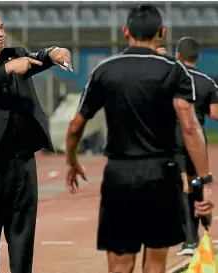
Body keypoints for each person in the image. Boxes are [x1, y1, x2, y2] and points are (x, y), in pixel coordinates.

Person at [65, 4, 214, 273]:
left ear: (125, 32)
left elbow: (76, 125)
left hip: (120, 174)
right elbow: (191, 127)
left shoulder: (105, 69)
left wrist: (72, 160)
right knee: (156, 266)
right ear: (162, 32)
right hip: (162, 173)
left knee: (120, 266)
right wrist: (205, 180)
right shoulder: (175, 70)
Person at [0, 9, 72, 273]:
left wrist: (54, 52)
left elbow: (39, 58)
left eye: (1, 27)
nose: (0, 33)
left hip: (22, 158)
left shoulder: (15, 54)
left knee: (23, 230)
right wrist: (7, 69)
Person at [173, 37, 218, 256]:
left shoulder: (170, 78)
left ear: (178, 55)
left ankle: (189, 241)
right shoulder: (208, 81)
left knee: (182, 185)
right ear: (197, 57)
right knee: (196, 182)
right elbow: (215, 114)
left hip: (174, 138)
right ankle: (204, 228)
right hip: (196, 139)